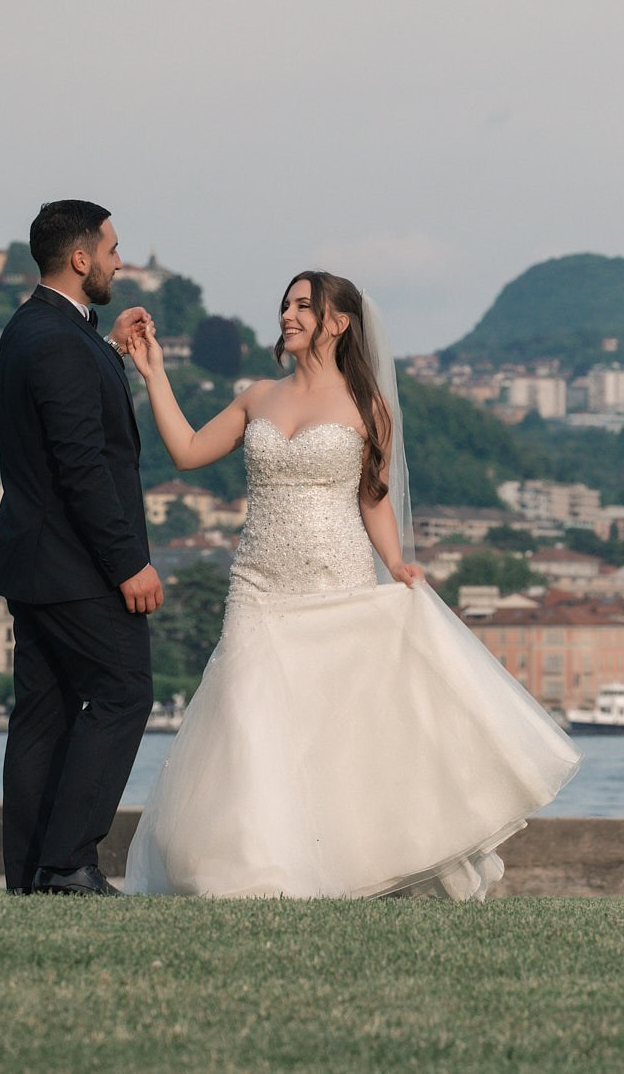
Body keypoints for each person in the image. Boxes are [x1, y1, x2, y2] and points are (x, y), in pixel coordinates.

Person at [121, 270, 579, 898]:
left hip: (334, 578)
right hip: (257, 582)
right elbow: (189, 451)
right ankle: (252, 869)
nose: (289, 314)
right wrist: (153, 375)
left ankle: (341, 864)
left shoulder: (367, 408)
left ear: (337, 322)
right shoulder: (258, 395)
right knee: (246, 722)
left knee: (331, 729)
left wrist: (396, 563)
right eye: (285, 303)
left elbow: (374, 499)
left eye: (304, 306)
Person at [0, 199, 160, 897]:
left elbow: (67, 399)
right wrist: (128, 562)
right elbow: (81, 463)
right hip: (77, 564)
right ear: (82, 257)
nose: (121, 260)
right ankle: (67, 860)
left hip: (35, 562)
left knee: (45, 711)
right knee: (124, 691)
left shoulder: (36, 329)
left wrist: (109, 344)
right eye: (113, 248)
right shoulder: (60, 341)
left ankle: (32, 871)